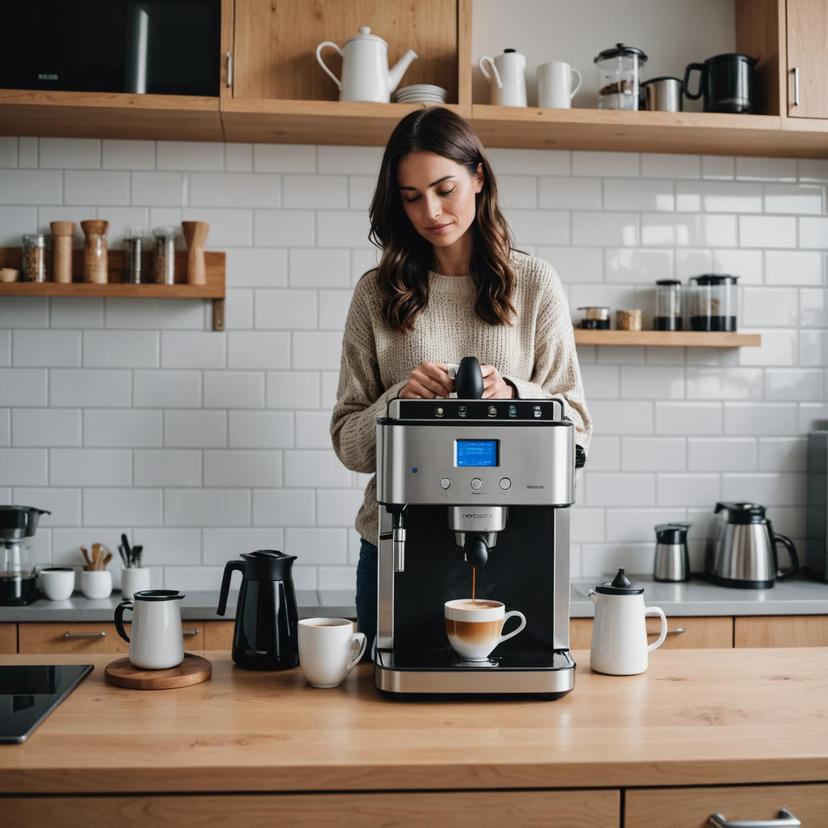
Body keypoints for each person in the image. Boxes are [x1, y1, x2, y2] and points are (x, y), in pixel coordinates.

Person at [329, 107, 592, 653]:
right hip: (397, 543)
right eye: (410, 196)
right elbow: (349, 445)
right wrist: (396, 400)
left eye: (444, 188)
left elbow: (578, 428)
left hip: (521, 542)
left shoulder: (536, 284)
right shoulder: (375, 295)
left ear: (478, 178)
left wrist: (514, 395)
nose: (431, 210)